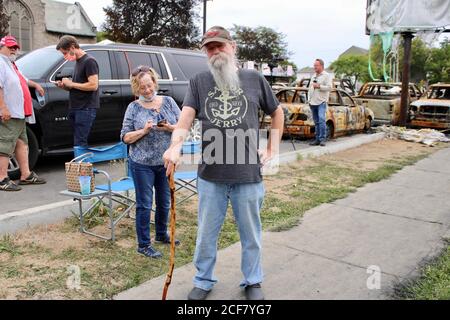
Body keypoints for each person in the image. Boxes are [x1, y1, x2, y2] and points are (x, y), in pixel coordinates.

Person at [163, 26, 284, 300]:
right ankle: (203, 281)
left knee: (251, 234)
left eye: (220, 45)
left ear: (233, 46)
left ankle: (253, 281)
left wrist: (272, 148)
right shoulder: (199, 81)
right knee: (206, 234)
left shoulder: (254, 79)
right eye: (209, 47)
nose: (215, 51)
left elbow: (277, 112)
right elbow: (186, 117)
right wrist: (175, 145)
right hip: (210, 175)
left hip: (248, 173)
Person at [121, 66, 181, 259]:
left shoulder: (169, 102)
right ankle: (143, 244)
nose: (146, 90)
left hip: (165, 162)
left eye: (149, 85)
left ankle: (162, 234)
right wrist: (143, 131)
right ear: (136, 89)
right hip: (142, 163)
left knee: (164, 202)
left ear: (155, 83)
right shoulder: (133, 107)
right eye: (142, 88)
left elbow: (182, 128)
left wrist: (169, 127)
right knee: (145, 204)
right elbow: (125, 137)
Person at [0, 35, 46, 191]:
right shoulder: (0, 62)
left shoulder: (11, 64)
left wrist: (36, 85)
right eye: (10, 47)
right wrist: (3, 108)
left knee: (22, 143)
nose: (14, 49)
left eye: (15, 47)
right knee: (5, 145)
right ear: (2, 47)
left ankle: (25, 175)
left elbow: (23, 80)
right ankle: (2, 179)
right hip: (9, 113)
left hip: (19, 113)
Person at [55, 35, 99, 148]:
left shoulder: (89, 61)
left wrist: (71, 83)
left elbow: (94, 85)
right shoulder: (78, 62)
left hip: (85, 108)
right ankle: (79, 164)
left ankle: (81, 164)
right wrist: (64, 86)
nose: (65, 56)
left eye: (65, 53)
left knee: (80, 142)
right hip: (76, 107)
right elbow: (77, 86)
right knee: (77, 140)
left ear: (73, 47)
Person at [308, 59, 332, 147]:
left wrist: (319, 86)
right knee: (316, 121)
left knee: (321, 120)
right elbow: (310, 88)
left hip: (321, 101)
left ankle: (322, 139)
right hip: (313, 102)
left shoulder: (326, 75)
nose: (314, 67)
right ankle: (317, 139)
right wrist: (309, 100)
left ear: (321, 66)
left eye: (316, 65)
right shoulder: (313, 75)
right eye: (314, 65)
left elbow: (329, 88)